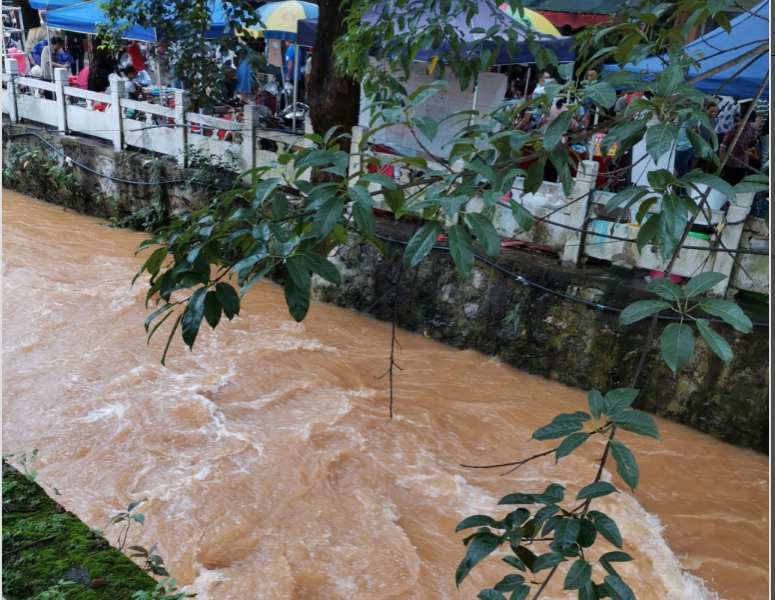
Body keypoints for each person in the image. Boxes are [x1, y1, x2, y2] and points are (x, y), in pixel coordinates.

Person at [719, 112, 758, 185]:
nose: (746, 122)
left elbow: (752, 144)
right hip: (730, 162)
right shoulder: (733, 130)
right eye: (745, 119)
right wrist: (721, 162)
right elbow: (723, 145)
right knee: (726, 184)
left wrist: (748, 150)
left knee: (738, 184)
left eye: (749, 120)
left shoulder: (752, 129)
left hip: (743, 163)